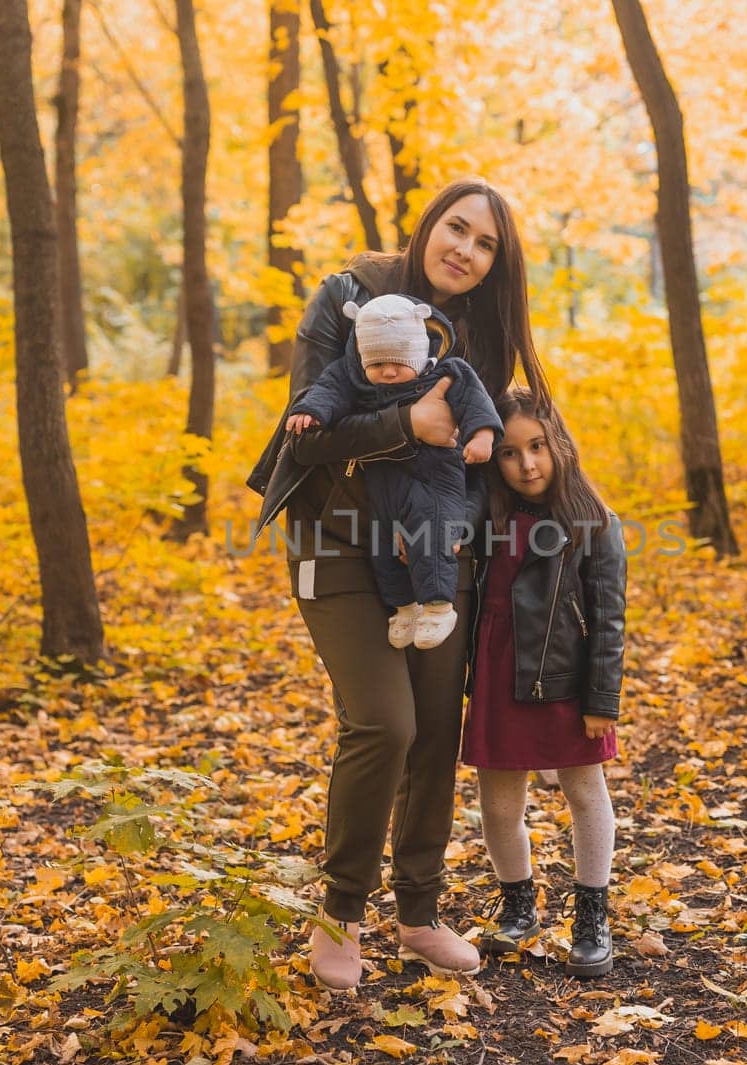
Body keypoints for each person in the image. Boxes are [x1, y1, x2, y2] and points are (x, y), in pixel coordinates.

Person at [246, 177, 551, 992]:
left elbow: (495, 443)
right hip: (337, 545)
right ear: (427, 226)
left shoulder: (480, 332)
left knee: (432, 735)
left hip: (435, 554)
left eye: (486, 243)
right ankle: (341, 911)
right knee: (383, 723)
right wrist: (405, 425)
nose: (467, 249)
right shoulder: (348, 298)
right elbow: (302, 436)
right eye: (457, 228)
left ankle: (419, 913)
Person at [462, 387, 627, 978]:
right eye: (509, 453)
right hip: (499, 675)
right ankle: (519, 906)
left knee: (585, 792)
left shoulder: (593, 522)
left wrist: (601, 700)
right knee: (499, 803)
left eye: (537, 447)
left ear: (560, 444)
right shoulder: (486, 514)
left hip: (564, 678)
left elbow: (608, 620)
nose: (527, 464)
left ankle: (592, 914)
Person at [284, 294, 504, 650]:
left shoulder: (448, 373)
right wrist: (312, 410)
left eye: (399, 362)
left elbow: (476, 402)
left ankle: (438, 606)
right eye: (378, 363)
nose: (388, 371)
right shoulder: (355, 375)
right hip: (383, 480)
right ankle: (404, 608)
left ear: (417, 352)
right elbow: (329, 389)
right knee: (382, 545)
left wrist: (483, 435)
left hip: (435, 476)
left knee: (431, 534)